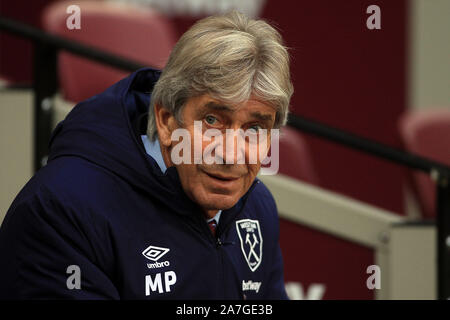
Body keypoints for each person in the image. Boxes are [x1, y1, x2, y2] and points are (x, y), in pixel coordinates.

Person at [0, 10, 293, 299]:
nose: (231, 155)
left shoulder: (256, 207)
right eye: (212, 120)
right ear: (166, 120)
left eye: (255, 128)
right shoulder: (62, 211)